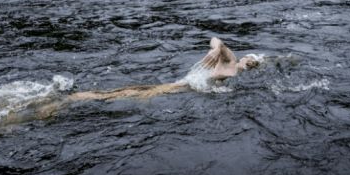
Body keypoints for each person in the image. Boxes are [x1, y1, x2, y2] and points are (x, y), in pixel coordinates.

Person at [28, 37, 260, 118]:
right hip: (173, 89)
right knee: (111, 97)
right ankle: (61, 102)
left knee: (111, 96)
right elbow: (217, 40)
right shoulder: (229, 62)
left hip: (176, 88)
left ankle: (58, 101)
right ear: (243, 58)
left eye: (254, 64)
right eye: (249, 59)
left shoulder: (233, 74)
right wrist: (215, 49)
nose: (249, 63)